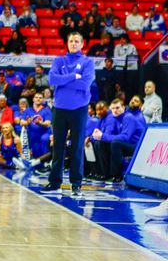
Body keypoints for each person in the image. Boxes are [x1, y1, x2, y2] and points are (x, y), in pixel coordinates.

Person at [39, 32, 94, 197]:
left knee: (77, 147)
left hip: (79, 109)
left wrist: (65, 80)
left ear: (82, 44)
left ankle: (76, 184)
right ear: (67, 43)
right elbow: (52, 80)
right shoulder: (59, 60)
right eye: (71, 41)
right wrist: (73, 77)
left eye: (77, 41)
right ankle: (55, 182)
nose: (74, 43)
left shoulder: (87, 62)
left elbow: (85, 84)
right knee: (58, 147)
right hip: (60, 109)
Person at [93, 96, 146, 182]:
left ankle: (116, 175)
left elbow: (125, 137)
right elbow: (110, 135)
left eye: (117, 108)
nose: (115, 110)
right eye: (113, 108)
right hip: (125, 144)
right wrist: (98, 135)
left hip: (136, 147)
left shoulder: (128, 117)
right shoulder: (115, 119)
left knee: (115, 144)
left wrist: (102, 136)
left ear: (123, 108)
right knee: (101, 143)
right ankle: (105, 174)